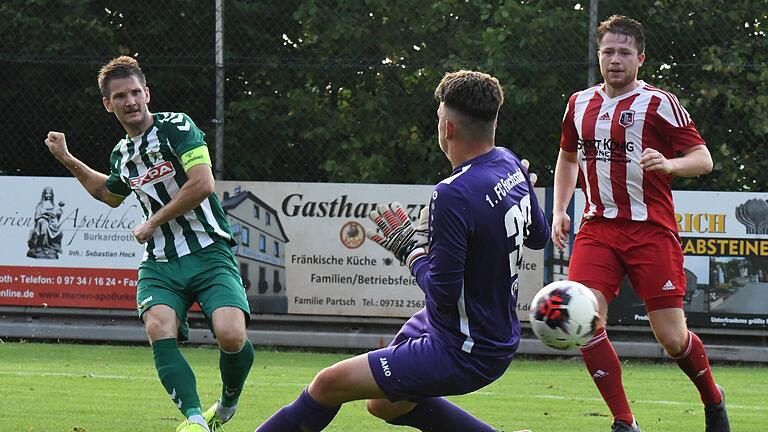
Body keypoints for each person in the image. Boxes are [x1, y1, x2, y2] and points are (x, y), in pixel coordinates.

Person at [254, 70, 549, 432]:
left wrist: (410, 250)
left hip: (463, 347)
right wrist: (524, 191)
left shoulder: (453, 192)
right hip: (475, 331)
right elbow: (540, 237)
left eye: (439, 116)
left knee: (328, 385)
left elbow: (442, 293)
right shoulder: (507, 162)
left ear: (448, 128)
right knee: (384, 405)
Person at [43, 56, 254, 432]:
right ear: (109, 104)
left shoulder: (178, 127)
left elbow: (203, 184)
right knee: (158, 326)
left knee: (232, 334)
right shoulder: (122, 155)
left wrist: (153, 220)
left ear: (147, 93)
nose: (131, 101)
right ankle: (193, 421)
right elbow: (108, 193)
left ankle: (226, 405)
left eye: (136, 92)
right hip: (160, 262)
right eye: (121, 96)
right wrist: (67, 158)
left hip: (209, 251)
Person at [552, 15, 729, 432]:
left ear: (640, 58)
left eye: (624, 52)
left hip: (651, 231)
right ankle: (624, 421)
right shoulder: (578, 103)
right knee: (585, 319)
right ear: (598, 56)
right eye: (608, 51)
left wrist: (669, 163)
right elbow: (567, 158)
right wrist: (560, 209)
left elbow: (703, 159)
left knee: (672, 340)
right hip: (598, 229)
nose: (615, 60)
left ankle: (713, 400)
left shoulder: (659, 103)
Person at [27, 186, 64, 258]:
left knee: (57, 228)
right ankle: (44, 245)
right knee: (44, 225)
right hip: (42, 221)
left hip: (52, 221)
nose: (48, 195)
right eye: (46, 194)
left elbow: (56, 215)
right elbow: (37, 216)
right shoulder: (40, 205)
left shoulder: (54, 205)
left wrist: (58, 213)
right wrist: (45, 215)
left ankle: (50, 246)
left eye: (49, 194)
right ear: (44, 194)